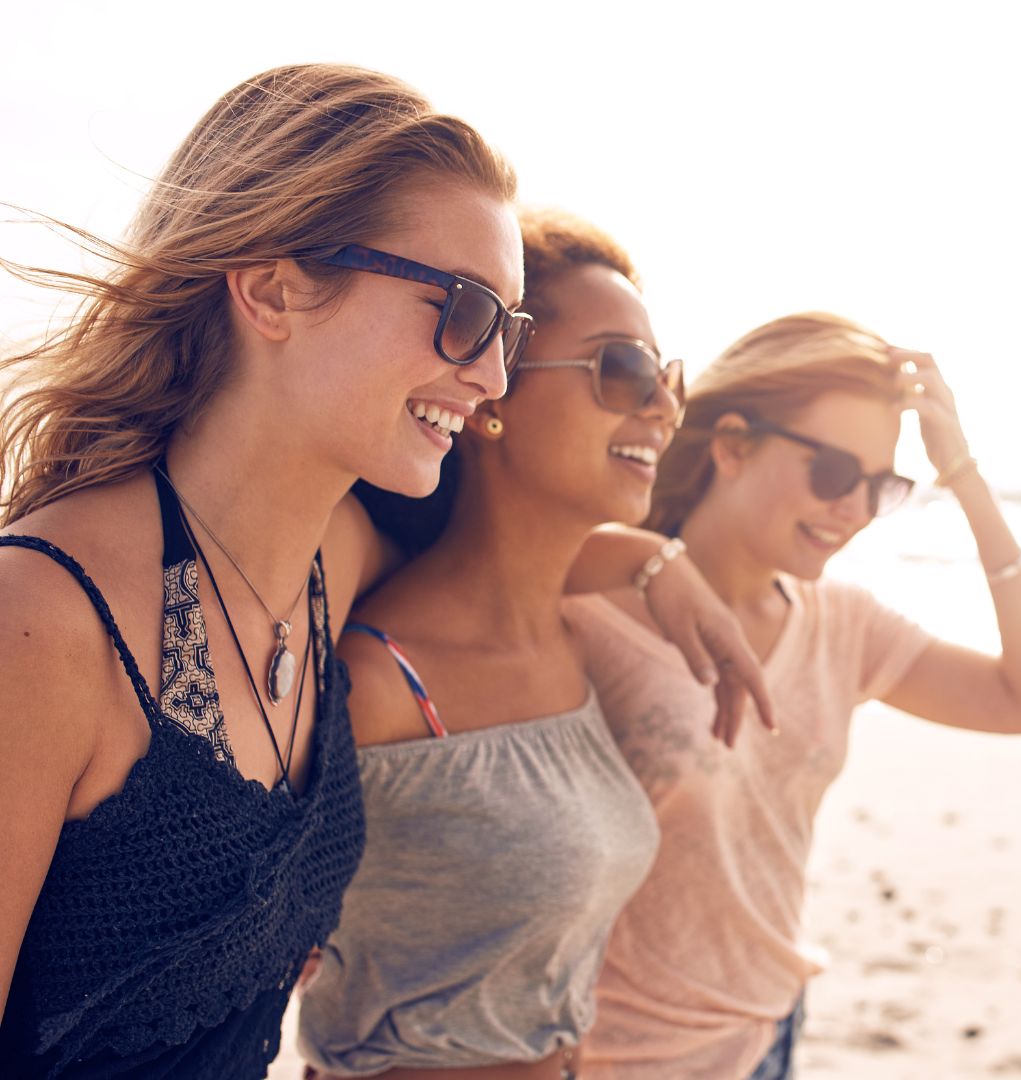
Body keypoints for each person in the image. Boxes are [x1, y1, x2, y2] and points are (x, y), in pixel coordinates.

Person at [0, 66, 758, 1080]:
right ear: (273, 287)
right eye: (462, 310)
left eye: (512, 332)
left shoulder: (333, 559)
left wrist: (661, 563)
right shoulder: (47, 617)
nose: (492, 376)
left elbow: (499, 559)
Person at [299, 208, 768, 1080]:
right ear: (489, 394)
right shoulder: (379, 681)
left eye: (664, 374)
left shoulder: (573, 638)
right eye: (621, 369)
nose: (665, 405)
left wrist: (660, 560)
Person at [568, 313, 1021, 1079]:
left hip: (765, 1040)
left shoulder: (843, 625)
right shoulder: (588, 613)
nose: (853, 510)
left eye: (881, 487)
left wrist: (963, 476)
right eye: (836, 474)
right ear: (733, 445)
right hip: (608, 1055)